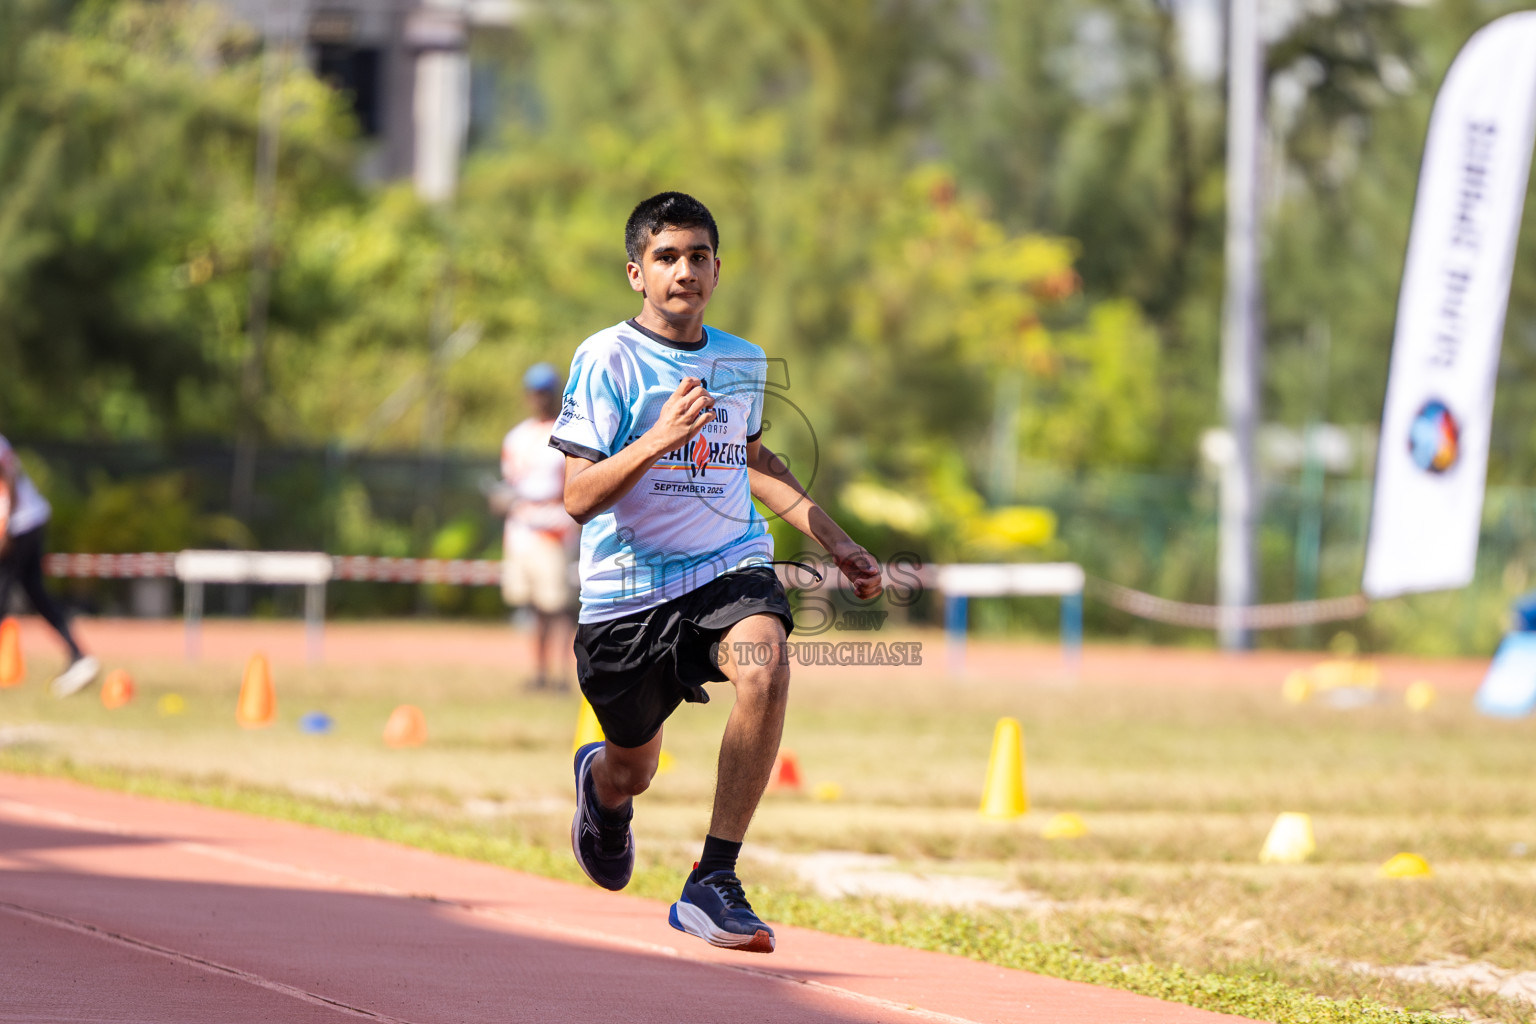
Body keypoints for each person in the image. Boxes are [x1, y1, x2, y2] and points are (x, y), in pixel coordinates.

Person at [549, 192, 883, 954]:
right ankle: (602, 785)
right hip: (626, 596)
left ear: (717, 270)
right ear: (637, 272)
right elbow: (577, 498)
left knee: (766, 663)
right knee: (634, 768)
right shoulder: (607, 357)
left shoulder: (742, 361)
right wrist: (658, 438)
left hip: (726, 565)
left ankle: (714, 878)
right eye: (667, 257)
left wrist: (835, 538)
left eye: (698, 256)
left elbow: (753, 461)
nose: (685, 270)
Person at [494, 363, 578, 691]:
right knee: (533, 607)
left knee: (557, 606)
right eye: (535, 392)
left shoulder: (568, 432)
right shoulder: (517, 436)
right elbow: (510, 483)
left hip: (554, 527)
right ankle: (540, 673)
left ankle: (560, 674)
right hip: (522, 529)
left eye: (546, 391)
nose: (540, 398)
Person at [0, 435, 99, 697]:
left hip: (18, 526)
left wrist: (3, 527)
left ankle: (78, 656)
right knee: (36, 594)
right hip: (31, 521)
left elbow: (6, 478)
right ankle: (78, 655)